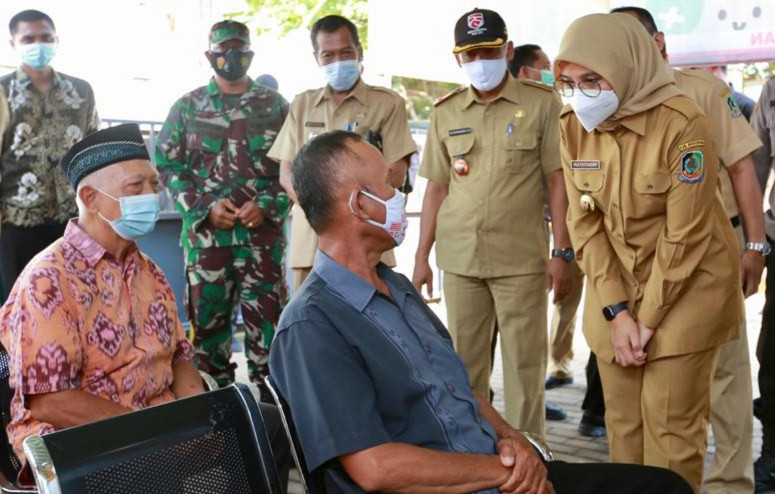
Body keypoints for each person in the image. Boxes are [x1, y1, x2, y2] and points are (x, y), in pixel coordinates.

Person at [269, 129, 693, 494]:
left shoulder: (394, 286)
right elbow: (376, 468)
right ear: (359, 206)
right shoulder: (313, 326)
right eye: (391, 187)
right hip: (469, 483)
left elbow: (460, 390)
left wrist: (514, 441)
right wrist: (508, 472)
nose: (401, 198)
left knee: (663, 486)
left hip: (494, 471)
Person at [0, 123, 289, 488]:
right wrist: (158, 431)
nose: (152, 195)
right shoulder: (48, 279)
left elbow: (180, 356)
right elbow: (50, 402)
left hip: (161, 420)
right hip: (84, 438)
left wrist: (196, 416)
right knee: (156, 465)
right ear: (91, 199)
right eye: (135, 187)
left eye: (153, 184)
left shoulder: (148, 271)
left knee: (265, 424)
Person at [556, 13, 743, 492]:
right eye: (570, 83)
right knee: (624, 435)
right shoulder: (573, 125)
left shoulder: (685, 123)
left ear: (629, 65)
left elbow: (686, 236)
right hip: (615, 294)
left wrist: (647, 320)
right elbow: (585, 223)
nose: (581, 95)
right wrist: (618, 313)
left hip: (686, 295)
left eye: (593, 80)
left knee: (671, 439)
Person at [602, 8, 766, 492]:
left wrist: (754, 245)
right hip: (639, 262)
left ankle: (731, 482)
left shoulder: (702, 91)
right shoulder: (602, 100)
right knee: (646, 382)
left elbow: (742, 168)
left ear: (659, 41)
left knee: (728, 373)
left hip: (715, 249)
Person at [413, 8, 571, 435]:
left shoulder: (542, 104)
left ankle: (534, 456)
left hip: (521, 260)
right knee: (464, 367)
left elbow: (557, 182)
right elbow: (437, 189)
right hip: (460, 259)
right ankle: (478, 457)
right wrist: (421, 257)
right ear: (458, 60)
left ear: (508, 50)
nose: (480, 61)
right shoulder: (445, 111)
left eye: (488, 50)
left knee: (525, 367)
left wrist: (562, 250)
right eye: (471, 54)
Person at [156, 20, 290, 393]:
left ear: (250, 53)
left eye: (238, 50)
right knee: (207, 340)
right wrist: (202, 207)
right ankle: (220, 420)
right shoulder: (187, 107)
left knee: (269, 333)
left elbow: (295, 169)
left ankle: (277, 415)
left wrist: (268, 204)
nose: (231, 58)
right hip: (207, 245)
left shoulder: (276, 106)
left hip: (261, 244)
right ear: (209, 55)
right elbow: (168, 166)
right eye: (223, 51)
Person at [267, 14, 416, 292]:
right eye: (329, 55)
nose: (338, 60)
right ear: (317, 58)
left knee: (372, 322)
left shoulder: (387, 104)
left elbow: (395, 172)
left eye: (346, 52)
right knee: (312, 322)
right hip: (312, 239)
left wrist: (354, 213)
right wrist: (327, 214)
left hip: (368, 239)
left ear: (359, 51)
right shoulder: (302, 105)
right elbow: (286, 173)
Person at [0, 9, 99, 302]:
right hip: (17, 224)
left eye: (45, 37)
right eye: (28, 38)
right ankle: (10, 352)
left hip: (73, 221)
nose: (38, 44)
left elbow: (93, 154)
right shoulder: (3, 92)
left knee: (74, 301)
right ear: (13, 44)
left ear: (57, 41)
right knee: (19, 306)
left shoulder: (81, 91)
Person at [752, 75, 775, 494]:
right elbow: (754, 166)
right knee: (773, 356)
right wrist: (752, 242)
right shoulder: (773, 89)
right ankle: (773, 449)